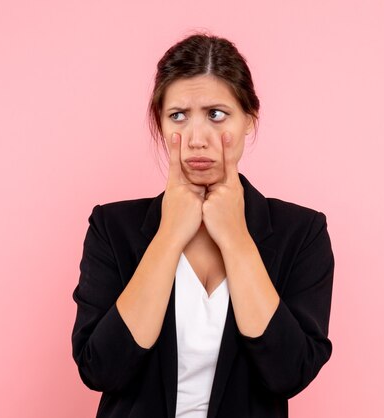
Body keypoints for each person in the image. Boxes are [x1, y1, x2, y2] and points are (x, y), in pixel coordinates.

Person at [71, 33, 335, 418]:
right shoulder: (112, 227)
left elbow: (288, 373)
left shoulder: (303, 232)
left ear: (250, 119)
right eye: (178, 115)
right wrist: (168, 235)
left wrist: (237, 239)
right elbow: (101, 368)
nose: (196, 139)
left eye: (216, 114)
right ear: (160, 124)